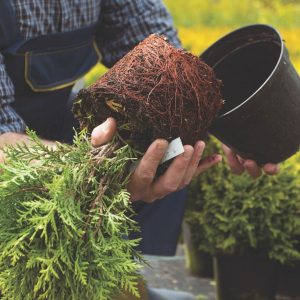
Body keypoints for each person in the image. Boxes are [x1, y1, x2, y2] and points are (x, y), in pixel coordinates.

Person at [0, 1, 279, 299]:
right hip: (11, 146)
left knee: (172, 147)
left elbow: (161, 60)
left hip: (51, 118)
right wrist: (92, 170)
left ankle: (127, 282)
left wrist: (219, 119)